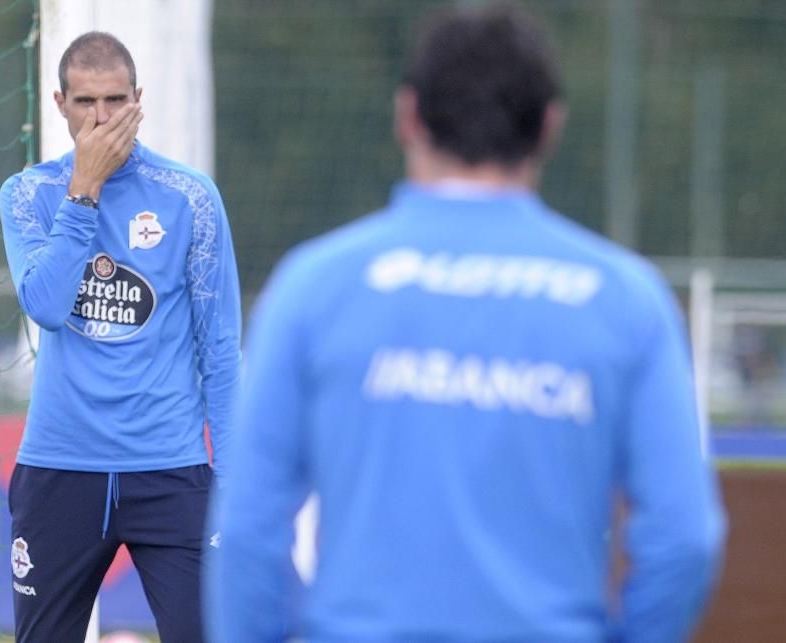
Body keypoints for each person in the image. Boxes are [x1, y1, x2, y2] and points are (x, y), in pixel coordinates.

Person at [206, 5, 725, 642]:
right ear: (550, 127)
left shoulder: (312, 287)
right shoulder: (627, 301)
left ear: (407, 115)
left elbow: (251, 531)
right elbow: (684, 538)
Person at [0, 31, 241, 642]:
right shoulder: (29, 195)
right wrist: (84, 193)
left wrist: (236, 478)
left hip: (170, 468)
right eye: (85, 103)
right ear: (59, 104)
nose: (101, 118)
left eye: (114, 101)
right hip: (60, 467)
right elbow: (47, 307)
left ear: (139, 100)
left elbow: (220, 350)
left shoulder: (190, 198)